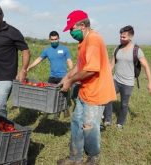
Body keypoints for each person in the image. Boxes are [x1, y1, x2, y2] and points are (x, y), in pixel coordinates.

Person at [57, 10, 116, 165]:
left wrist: (70, 82)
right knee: (77, 122)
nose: (71, 32)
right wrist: (67, 77)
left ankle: (93, 157)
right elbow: (79, 65)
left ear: (82, 25)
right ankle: (75, 157)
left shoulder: (94, 39)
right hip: (85, 91)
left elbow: (91, 69)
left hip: (97, 92)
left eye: (72, 28)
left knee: (89, 126)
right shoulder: (83, 42)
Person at [103, 25, 151, 129]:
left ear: (131, 37)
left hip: (128, 83)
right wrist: (104, 77)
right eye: (120, 36)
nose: (121, 39)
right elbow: (111, 64)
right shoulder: (117, 48)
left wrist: (150, 82)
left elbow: (146, 66)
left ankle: (120, 123)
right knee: (107, 97)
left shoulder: (136, 50)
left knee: (124, 104)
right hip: (116, 80)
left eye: (124, 37)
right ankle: (107, 119)